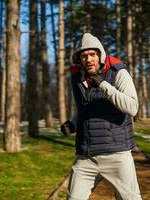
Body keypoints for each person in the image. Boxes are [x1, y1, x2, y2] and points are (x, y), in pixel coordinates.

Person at [60, 33, 142, 200]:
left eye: (92, 54)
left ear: (100, 55)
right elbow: (86, 108)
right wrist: (73, 124)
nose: (88, 59)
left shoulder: (118, 73)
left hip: (117, 154)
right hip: (86, 156)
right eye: (84, 56)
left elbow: (132, 108)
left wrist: (104, 86)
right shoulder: (78, 77)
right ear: (79, 59)